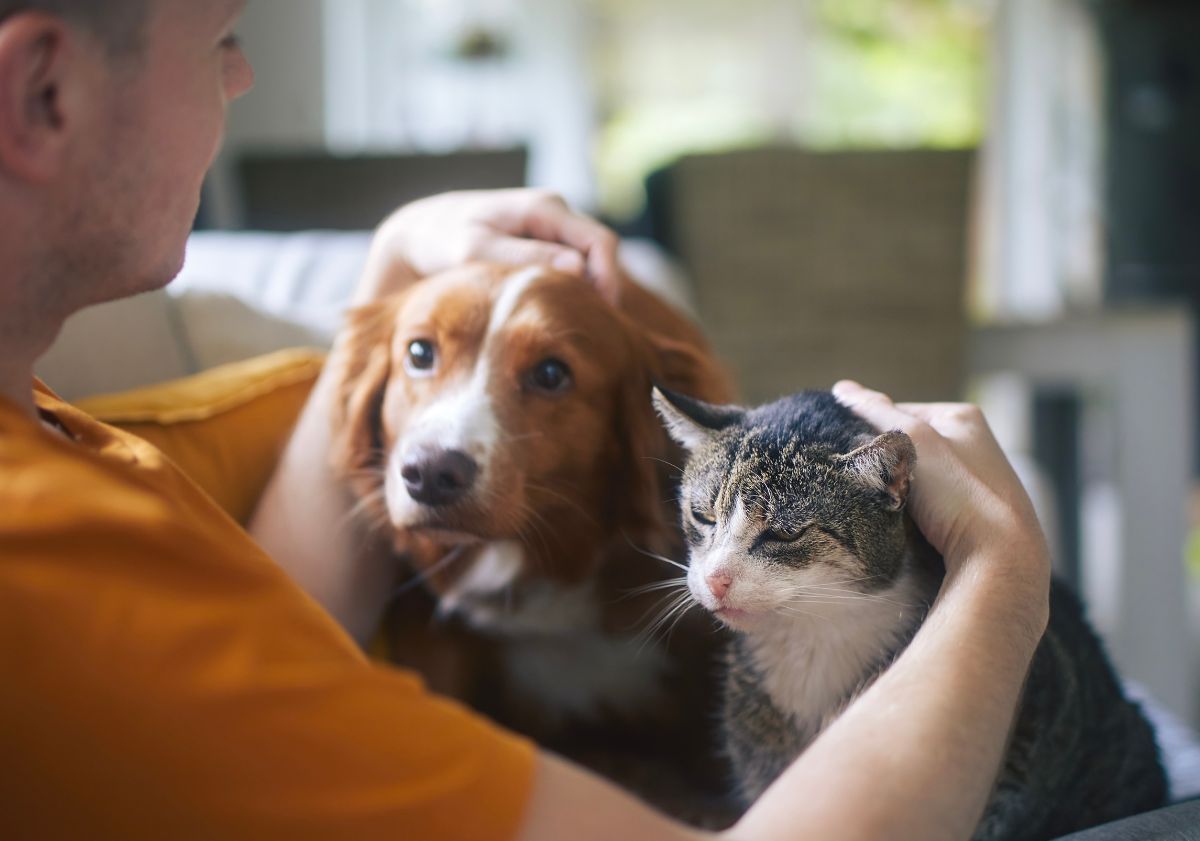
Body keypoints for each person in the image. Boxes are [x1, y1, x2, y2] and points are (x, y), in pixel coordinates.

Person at [0, 1, 1053, 839]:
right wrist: (1001, 572)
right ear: (42, 91)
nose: (241, 75)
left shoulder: (46, 439)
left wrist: (400, 263)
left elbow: (275, 642)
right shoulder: (44, 567)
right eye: (220, 36)